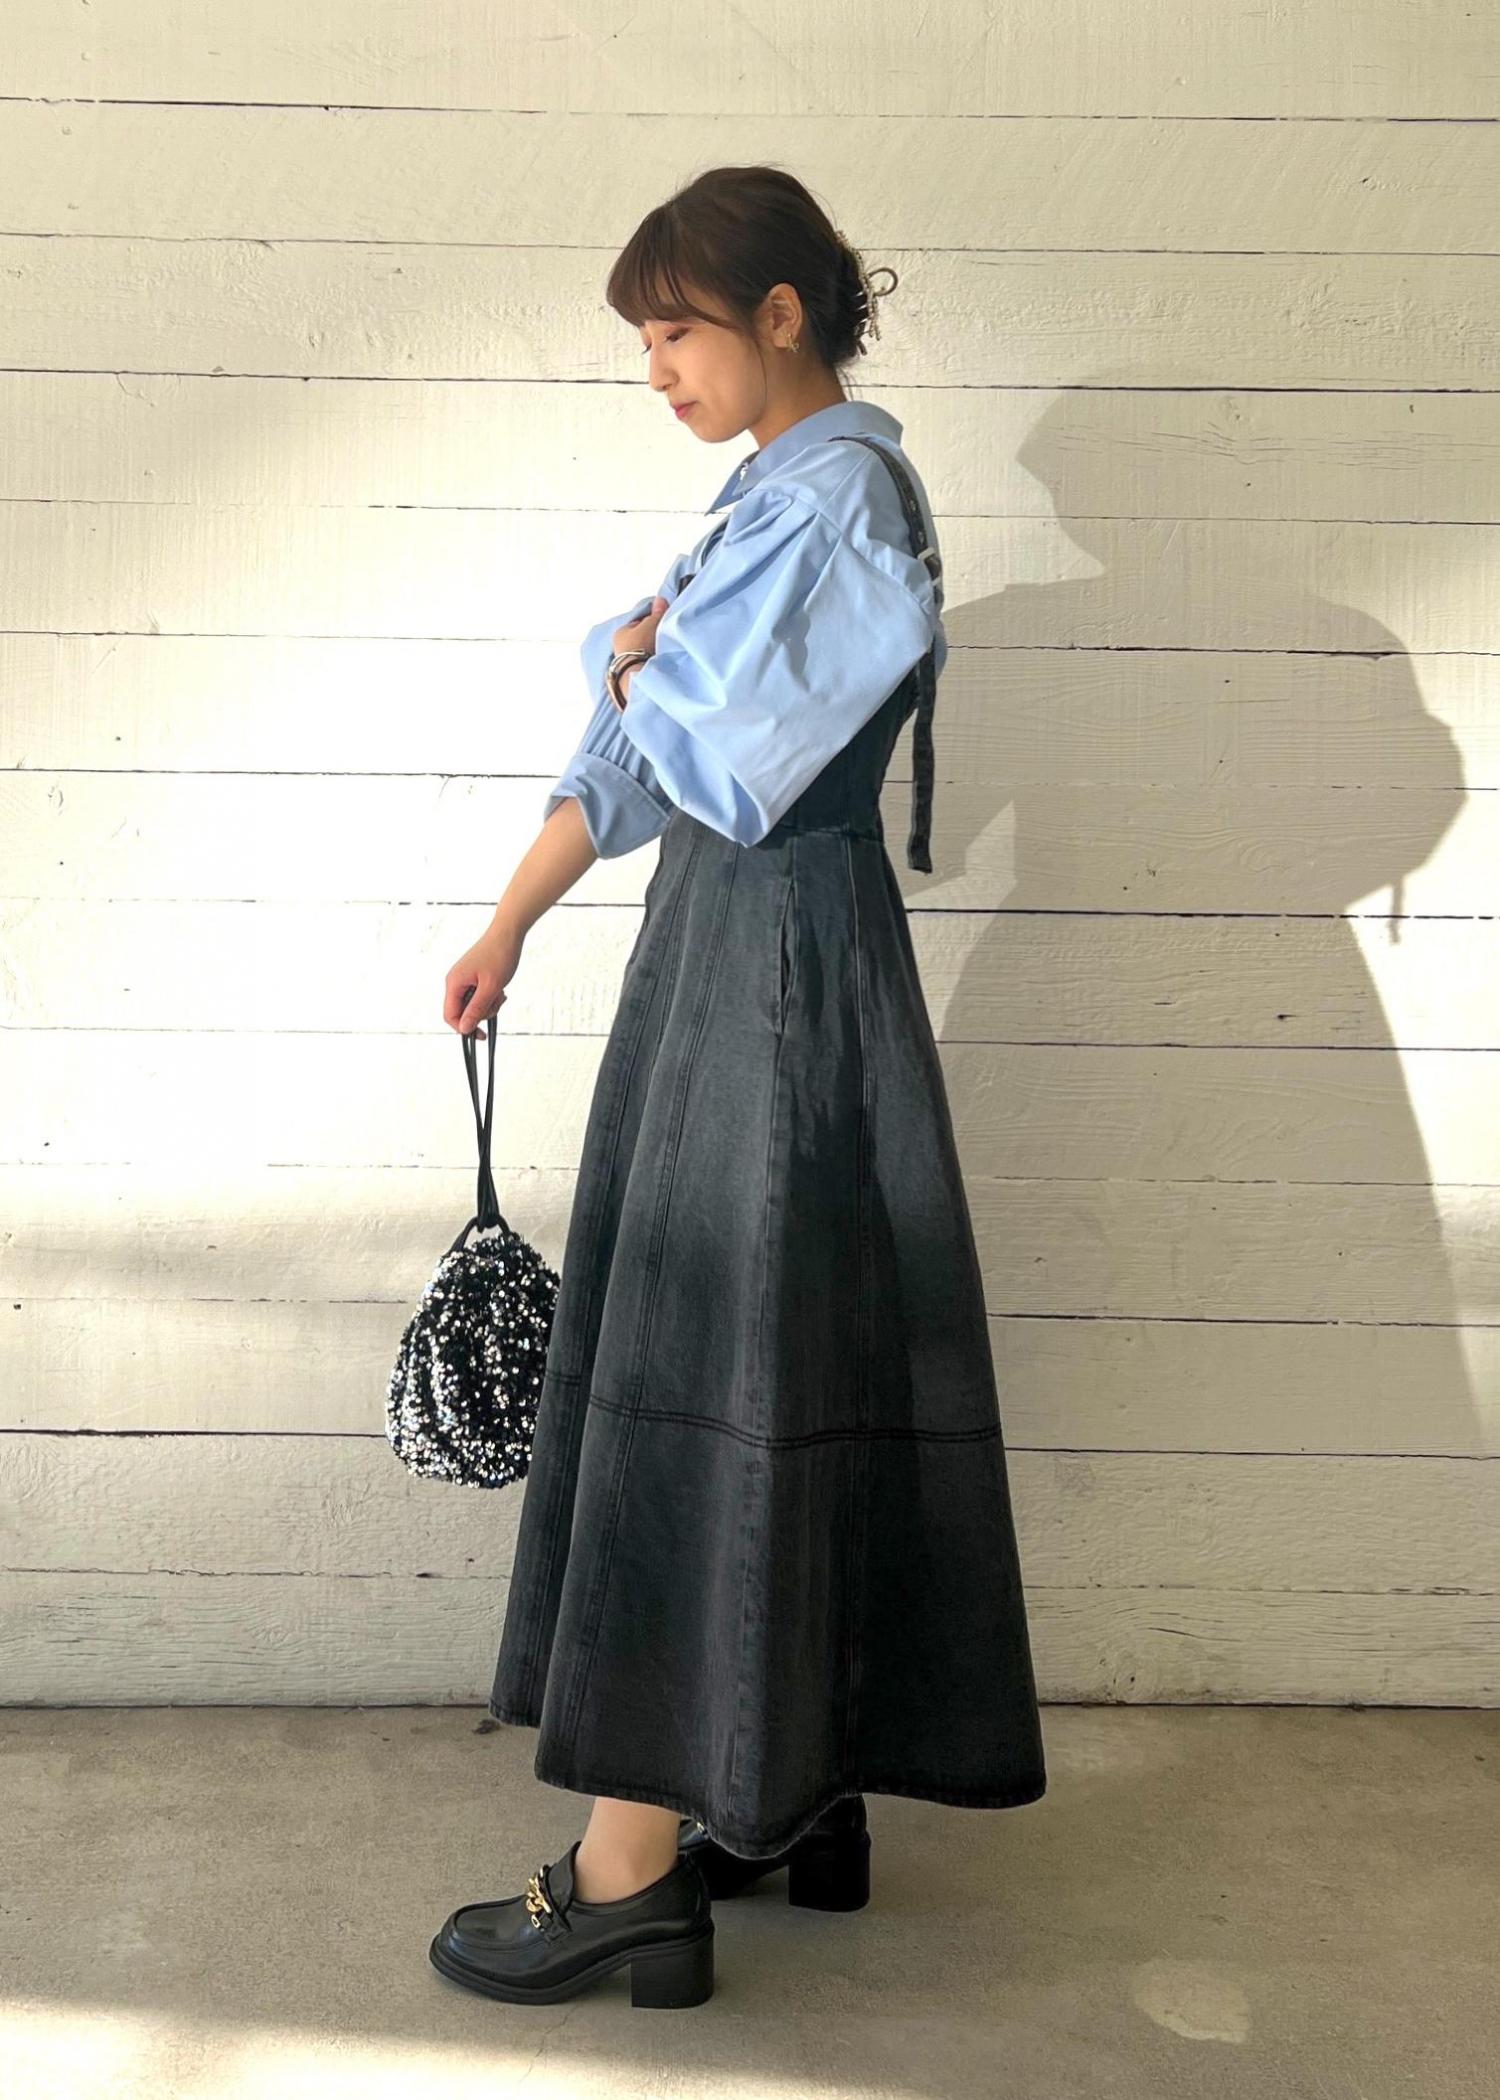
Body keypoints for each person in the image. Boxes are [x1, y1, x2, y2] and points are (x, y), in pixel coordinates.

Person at [428, 165, 1045, 2011]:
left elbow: (720, 745)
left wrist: (630, 655)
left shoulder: (840, 497)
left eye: (677, 330)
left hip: (771, 959)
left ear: (784, 314)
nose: (657, 369)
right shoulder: (775, 499)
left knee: (708, 1362)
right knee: (785, 1346)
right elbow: (635, 747)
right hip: (754, 945)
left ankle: (632, 1868)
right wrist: (509, 920)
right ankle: (788, 1799)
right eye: (645, 340)